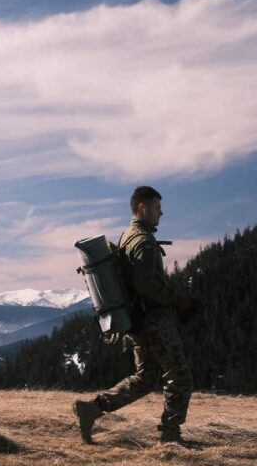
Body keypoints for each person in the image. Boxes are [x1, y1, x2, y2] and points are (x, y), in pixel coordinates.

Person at [74, 186, 195, 445]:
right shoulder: (143, 241)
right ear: (142, 208)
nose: (161, 213)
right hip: (154, 321)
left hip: (137, 322)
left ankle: (93, 409)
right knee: (180, 375)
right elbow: (145, 283)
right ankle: (171, 435)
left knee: (146, 377)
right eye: (156, 208)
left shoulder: (128, 236)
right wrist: (176, 299)